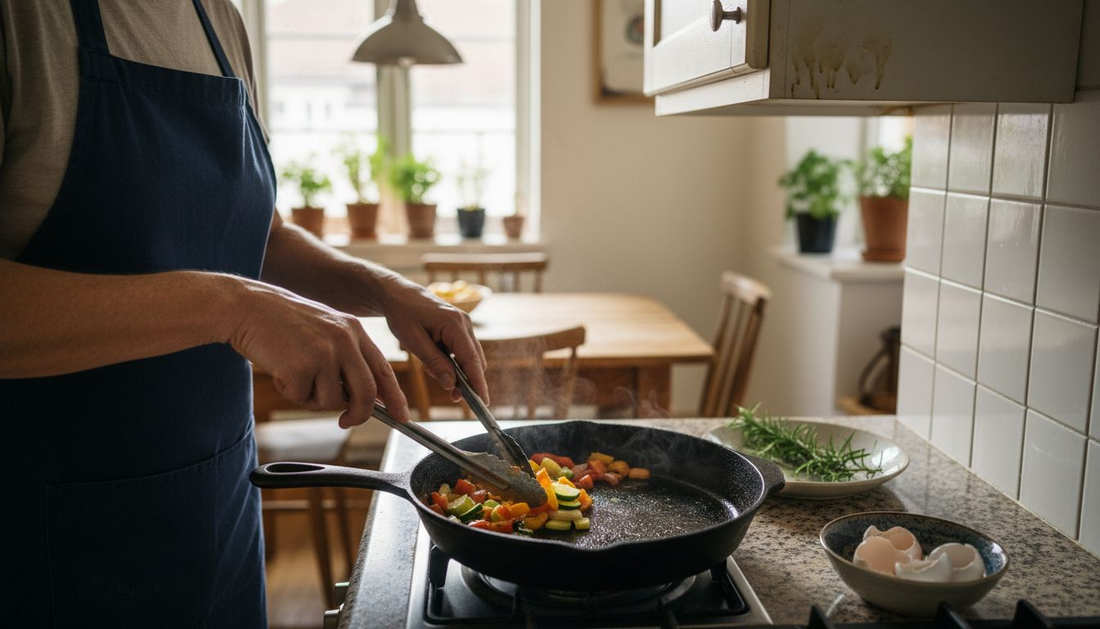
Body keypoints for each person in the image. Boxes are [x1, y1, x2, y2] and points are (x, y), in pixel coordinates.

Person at [0, 0, 488, 625]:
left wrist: (382, 287)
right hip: (48, 538)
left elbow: (262, 231)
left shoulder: (220, 22)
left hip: (220, 506)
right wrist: (231, 307)